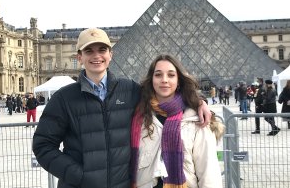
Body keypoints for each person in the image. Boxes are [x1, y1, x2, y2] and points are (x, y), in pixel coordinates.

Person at [32, 28, 212, 188]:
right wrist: (78, 176)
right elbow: (43, 146)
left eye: (102, 50)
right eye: (89, 51)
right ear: (80, 57)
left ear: (111, 55)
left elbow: (164, 93)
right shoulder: (63, 98)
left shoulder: (130, 90)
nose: (96, 56)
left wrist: (198, 101)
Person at [130, 54, 223, 188]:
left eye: (171, 75)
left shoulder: (197, 119)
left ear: (179, 80)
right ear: (151, 80)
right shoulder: (138, 115)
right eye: (158, 75)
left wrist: (200, 102)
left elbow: (209, 173)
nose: (164, 80)